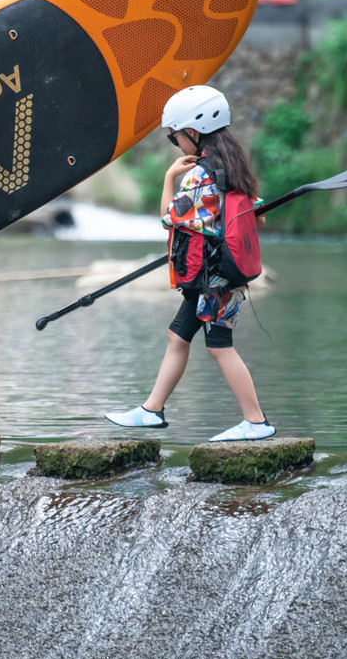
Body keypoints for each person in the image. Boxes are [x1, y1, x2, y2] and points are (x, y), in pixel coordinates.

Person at [105, 85, 276, 442]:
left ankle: (256, 422)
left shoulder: (199, 177)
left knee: (219, 346)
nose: (177, 145)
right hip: (215, 277)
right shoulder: (234, 170)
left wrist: (170, 177)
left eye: (175, 138)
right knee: (177, 336)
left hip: (213, 280)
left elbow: (169, 217)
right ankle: (152, 411)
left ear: (194, 133)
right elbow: (257, 220)